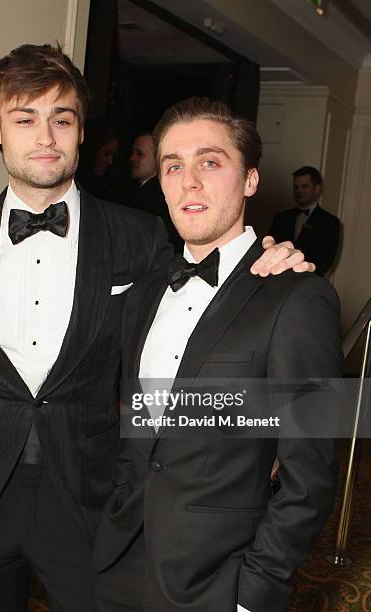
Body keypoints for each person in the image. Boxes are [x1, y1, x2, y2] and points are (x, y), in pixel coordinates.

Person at [0, 44, 312, 611]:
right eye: (24, 118)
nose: (45, 137)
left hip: (92, 500)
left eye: (62, 119)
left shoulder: (140, 236)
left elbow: (207, 311)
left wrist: (270, 260)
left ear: (81, 130)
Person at [94, 98, 342, 612]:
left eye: (209, 162)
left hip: (217, 584)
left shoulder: (297, 297)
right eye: (173, 166)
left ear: (250, 180)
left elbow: (310, 476)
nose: (189, 182)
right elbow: (135, 427)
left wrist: (254, 592)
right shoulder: (144, 292)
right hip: (118, 566)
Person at [268, 166, 340, 275]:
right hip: (277, 278)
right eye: (296, 187)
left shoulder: (330, 222)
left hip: (309, 282)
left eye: (304, 186)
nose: (299, 191)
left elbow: (325, 261)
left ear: (317, 189)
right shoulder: (280, 218)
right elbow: (270, 250)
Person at [129, 132, 183, 251]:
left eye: (140, 154)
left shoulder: (152, 197)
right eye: (133, 153)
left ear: (157, 159)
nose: (132, 158)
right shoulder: (147, 192)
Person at [76, 117, 119, 200]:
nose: (110, 162)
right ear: (93, 149)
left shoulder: (106, 186)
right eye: (106, 153)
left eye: (113, 156)